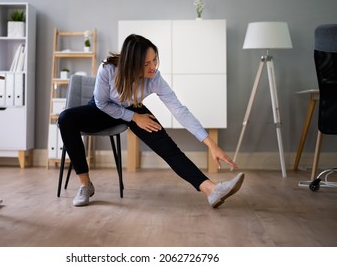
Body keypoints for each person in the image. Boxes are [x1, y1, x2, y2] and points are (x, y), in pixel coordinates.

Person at [58, 34, 245, 208]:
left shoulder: (155, 78)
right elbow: (101, 103)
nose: (153, 67)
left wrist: (210, 144)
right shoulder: (108, 68)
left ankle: (211, 190)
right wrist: (134, 117)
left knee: (168, 147)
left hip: (134, 107)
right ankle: (85, 185)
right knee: (65, 118)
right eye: (146, 63)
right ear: (131, 63)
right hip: (102, 109)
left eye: (154, 59)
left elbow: (179, 110)